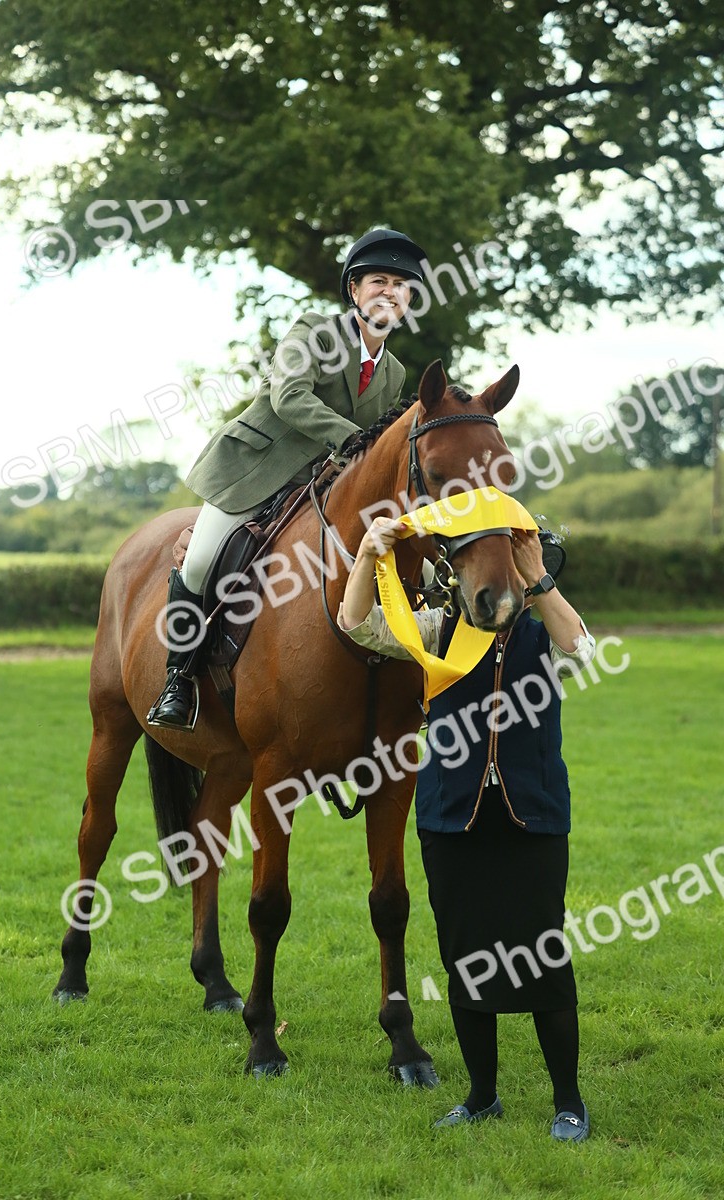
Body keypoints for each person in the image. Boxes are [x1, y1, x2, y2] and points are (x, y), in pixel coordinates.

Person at [339, 516, 596, 1142]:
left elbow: (582, 651)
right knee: (466, 960)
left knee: (544, 958)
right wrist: (366, 556)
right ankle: (482, 1096)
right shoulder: (437, 630)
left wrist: (539, 577)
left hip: (533, 817)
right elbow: (357, 624)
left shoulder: (542, 631)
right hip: (451, 819)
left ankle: (569, 1102)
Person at [148, 228, 428, 730]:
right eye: (379, 281)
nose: (390, 292)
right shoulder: (314, 331)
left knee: (416, 568)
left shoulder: (395, 374)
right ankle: (179, 679)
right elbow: (289, 396)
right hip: (255, 472)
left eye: (401, 286)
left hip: (322, 487)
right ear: (354, 290)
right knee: (201, 562)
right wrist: (355, 441)